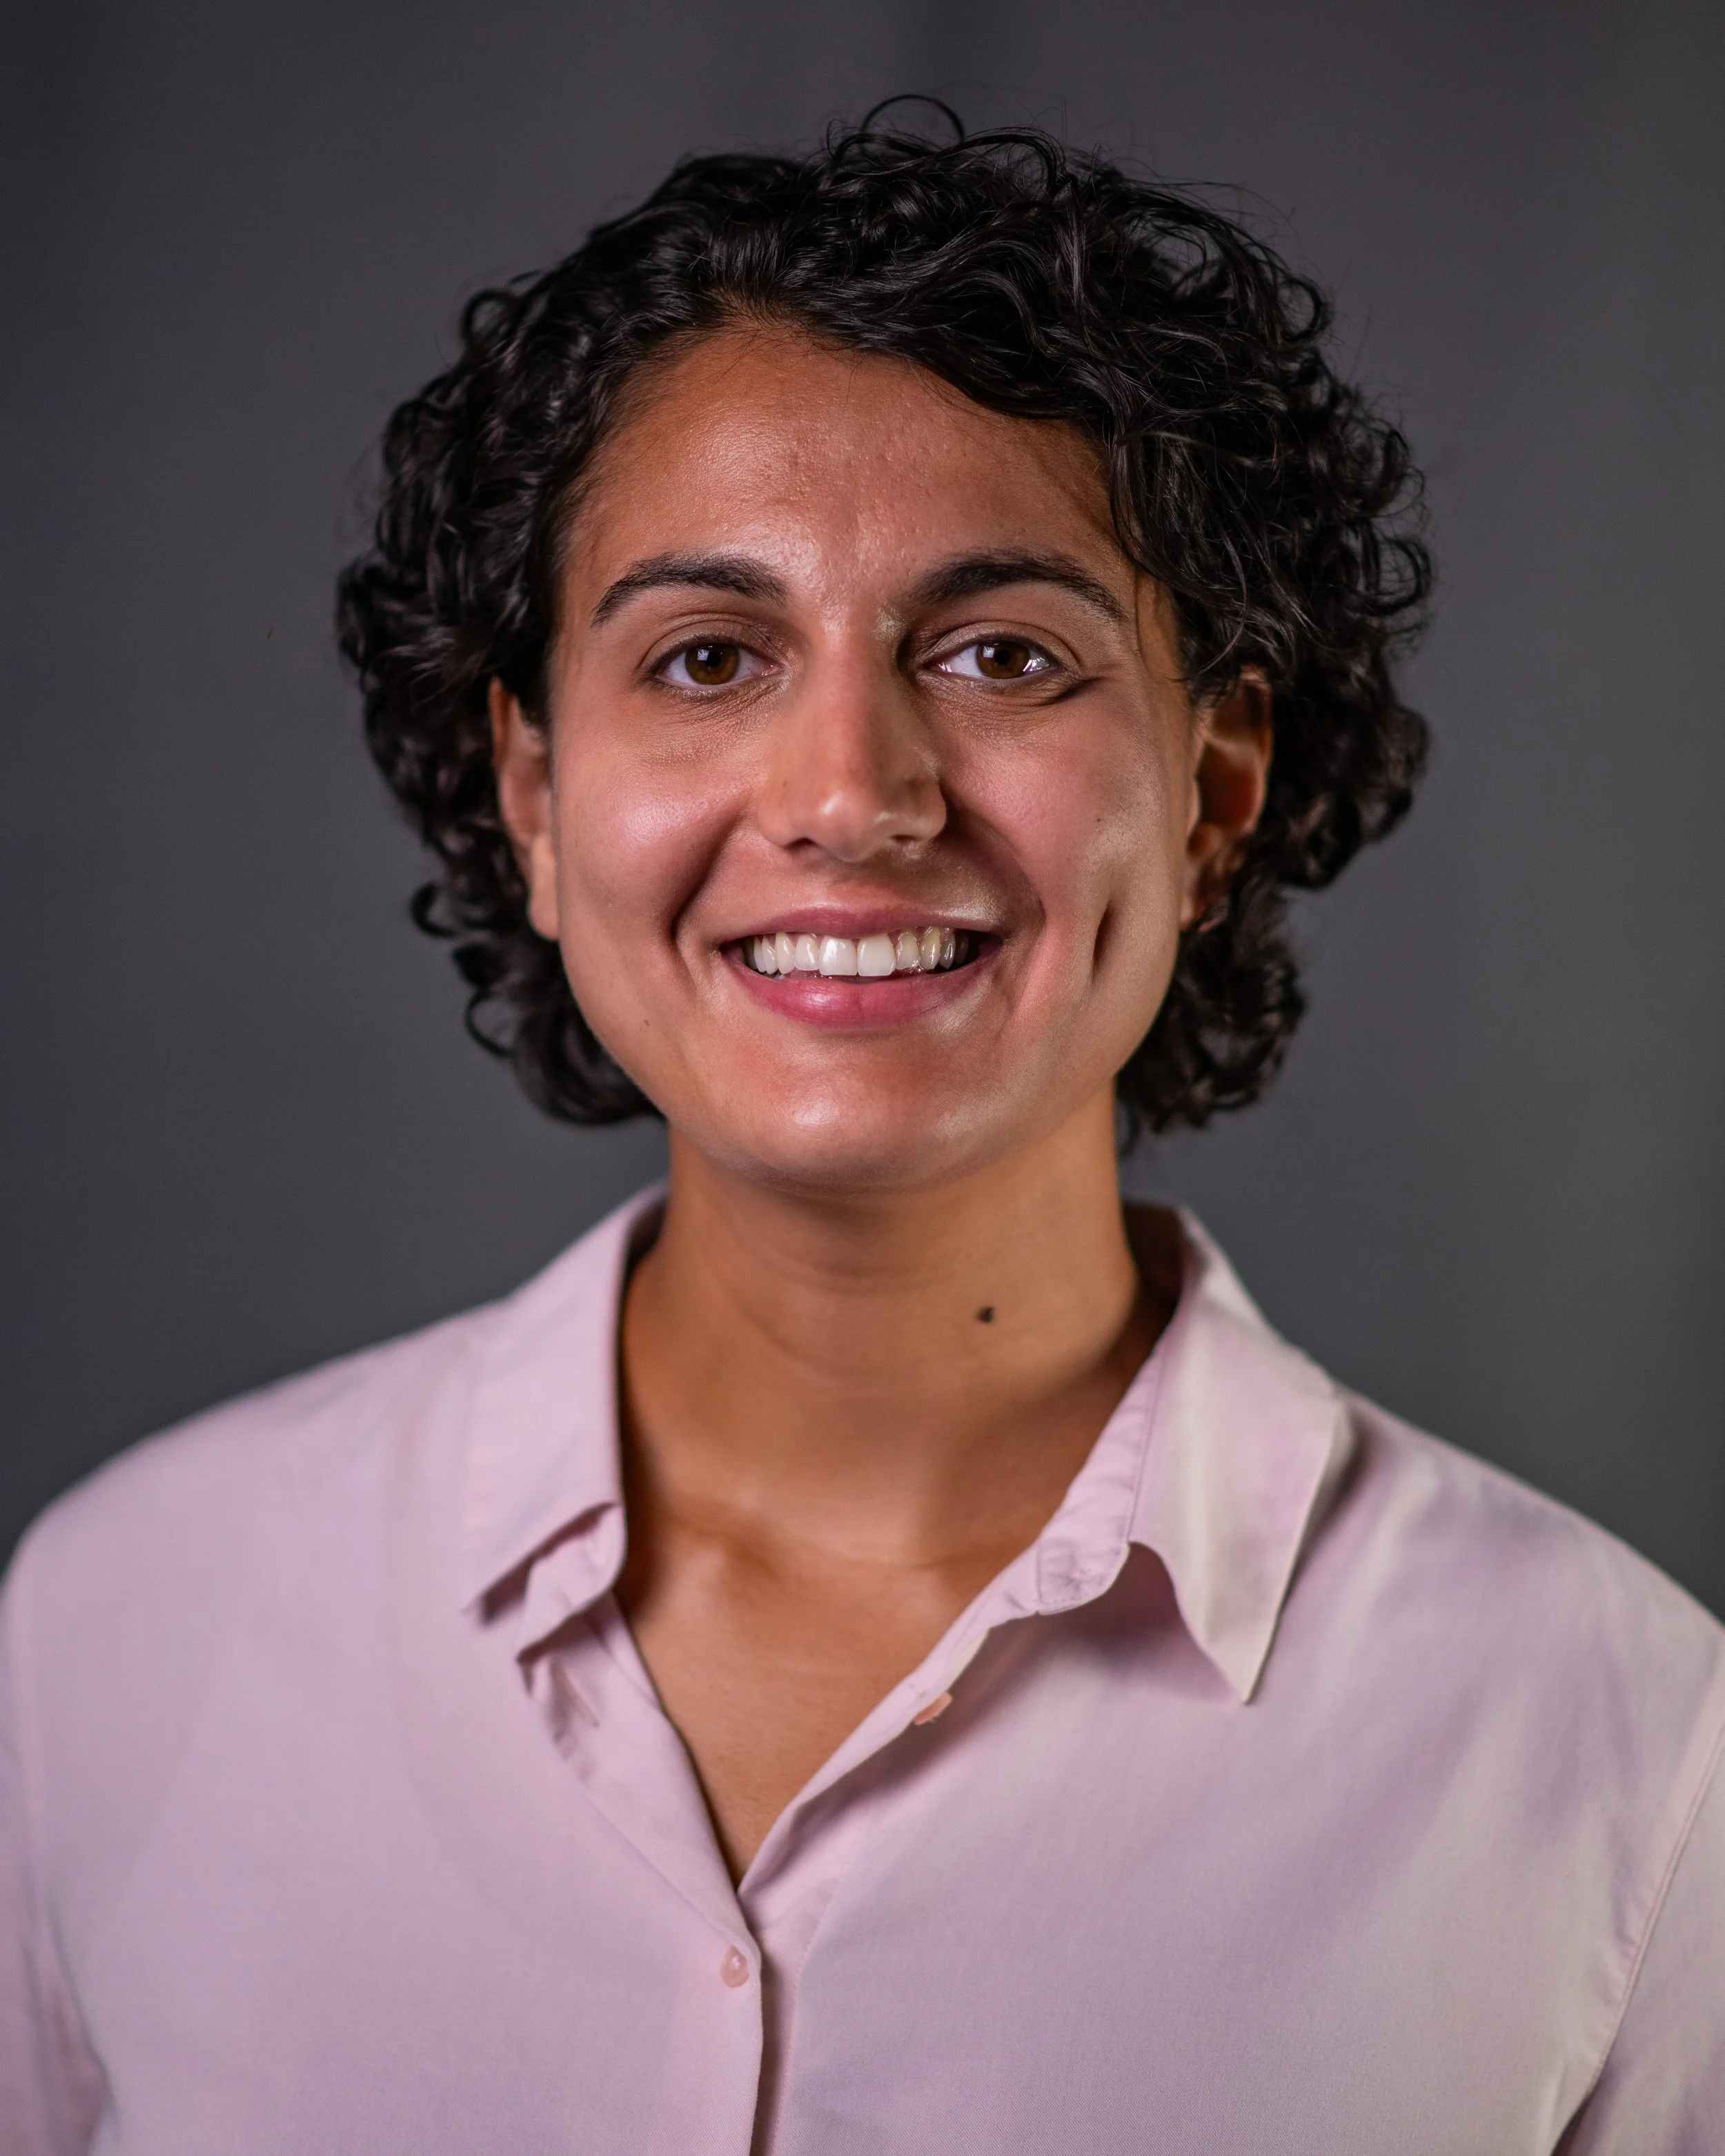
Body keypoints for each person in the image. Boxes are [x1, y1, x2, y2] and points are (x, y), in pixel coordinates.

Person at [2, 111, 1720, 2155]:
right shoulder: (117, 1626)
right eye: (707, 659)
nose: (850, 792)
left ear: (1212, 788)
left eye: (1002, 654)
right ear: (534, 795)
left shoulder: (1632, 1759)